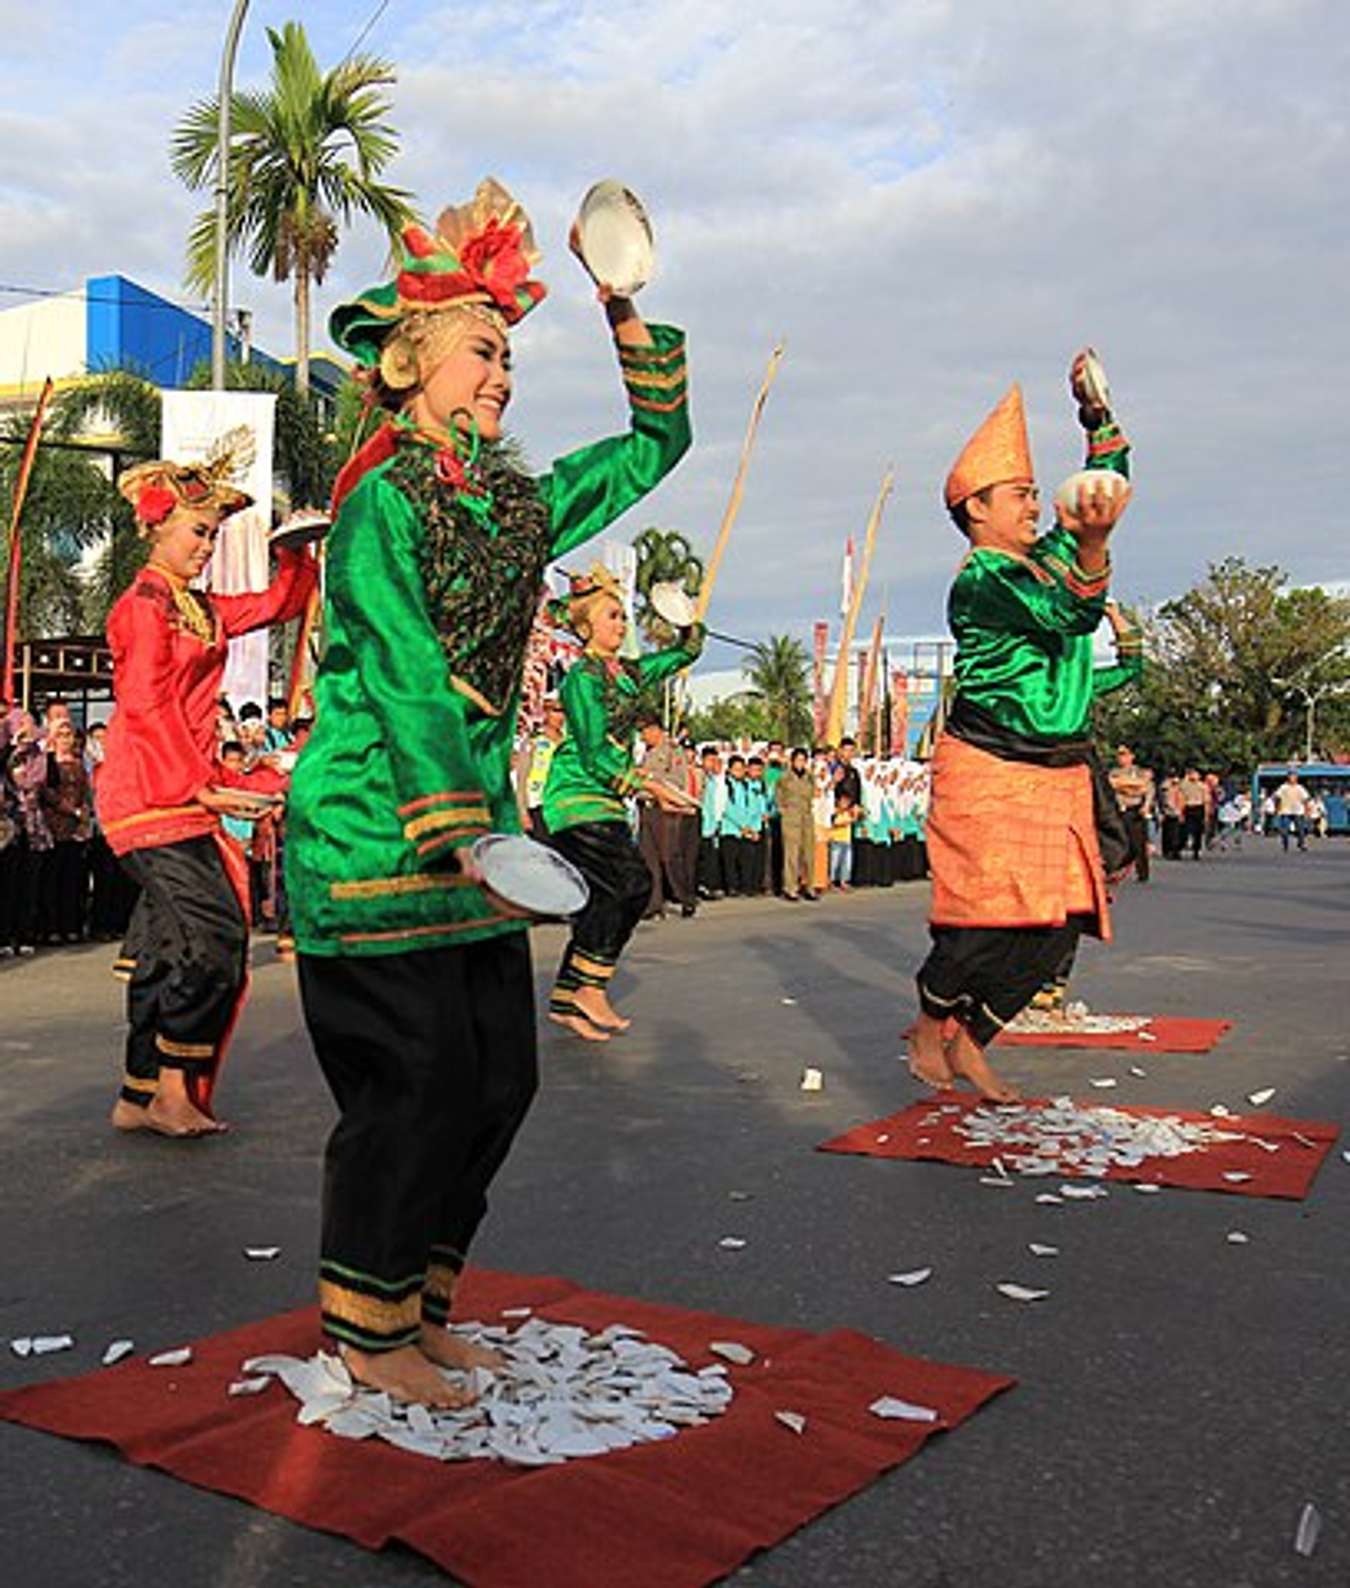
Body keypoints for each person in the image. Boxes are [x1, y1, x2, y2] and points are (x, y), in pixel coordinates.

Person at [284, 180, 691, 1406]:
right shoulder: (377, 501)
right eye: (482, 349)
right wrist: (459, 827)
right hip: (373, 832)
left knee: (498, 1083)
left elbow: (654, 449)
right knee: (413, 1084)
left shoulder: (515, 505)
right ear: (408, 365)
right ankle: (365, 1326)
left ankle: (416, 1305)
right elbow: (407, 670)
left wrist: (623, 314)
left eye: (511, 353)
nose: (503, 372)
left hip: (474, 846)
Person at [907, 351, 1132, 1101]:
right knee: (982, 924)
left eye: (1038, 495)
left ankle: (970, 1040)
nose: (1036, 506)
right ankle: (929, 1015)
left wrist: (1095, 419)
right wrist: (1093, 545)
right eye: (1022, 495)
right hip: (992, 765)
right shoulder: (985, 580)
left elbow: (1106, 485)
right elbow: (1070, 609)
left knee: (1059, 927)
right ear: (976, 507)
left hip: (1056, 770)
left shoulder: (1038, 559)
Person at [99, 437, 317, 1137]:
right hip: (149, 798)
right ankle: (170, 1089)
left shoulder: (201, 609)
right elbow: (146, 707)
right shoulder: (143, 609)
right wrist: (201, 786)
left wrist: (295, 549)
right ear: (156, 526)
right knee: (217, 939)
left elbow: (281, 603)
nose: (207, 546)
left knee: (167, 949)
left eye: (215, 534)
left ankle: (140, 1095)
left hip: (182, 794)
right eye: (198, 531)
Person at [544, 569, 703, 1035]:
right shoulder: (581, 679)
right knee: (631, 885)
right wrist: (651, 787)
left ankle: (569, 998)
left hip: (607, 801)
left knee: (609, 894)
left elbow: (685, 653)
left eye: (623, 616)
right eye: (612, 615)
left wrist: (687, 619)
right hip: (576, 797)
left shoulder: (629, 673)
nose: (621, 623)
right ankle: (588, 989)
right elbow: (593, 755)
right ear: (586, 626)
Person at [635, 713, 698, 918]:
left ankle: (686, 897)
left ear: (655, 730)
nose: (642, 737)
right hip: (646, 807)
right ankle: (653, 904)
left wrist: (651, 777)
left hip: (665, 810)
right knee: (648, 858)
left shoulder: (672, 751)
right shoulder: (646, 752)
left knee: (669, 857)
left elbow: (677, 781)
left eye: (644, 732)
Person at [513, 695, 565, 839]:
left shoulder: (569, 743)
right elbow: (521, 778)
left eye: (565, 711)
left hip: (562, 808)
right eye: (556, 711)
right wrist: (522, 811)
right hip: (537, 806)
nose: (562, 717)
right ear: (546, 712)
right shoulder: (533, 741)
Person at [1109, 741, 1154, 883]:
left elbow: (1147, 789)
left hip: (1136, 810)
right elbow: (1113, 787)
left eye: (1124, 754)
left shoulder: (1140, 772)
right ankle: (1115, 870)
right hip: (1120, 810)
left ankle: (1143, 873)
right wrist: (1132, 788)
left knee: (1138, 844)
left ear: (1131, 756)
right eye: (1119, 755)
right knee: (1120, 842)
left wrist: (1146, 805)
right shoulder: (1113, 773)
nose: (1121, 757)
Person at [776, 746, 817, 900]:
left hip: (806, 815)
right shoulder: (784, 777)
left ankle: (809, 886)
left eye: (803, 760)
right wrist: (783, 811)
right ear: (792, 761)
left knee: (808, 853)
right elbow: (778, 796)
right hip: (791, 817)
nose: (800, 763)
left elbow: (813, 793)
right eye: (798, 760)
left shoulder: (810, 777)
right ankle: (790, 887)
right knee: (791, 854)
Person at [1274, 771, 1309, 851]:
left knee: (1300, 829)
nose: (1292, 778)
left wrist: (1307, 811)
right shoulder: (1283, 787)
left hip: (1298, 811)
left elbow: (1305, 800)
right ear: (1288, 777)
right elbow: (1277, 798)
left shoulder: (1300, 788)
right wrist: (1277, 808)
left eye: (1294, 776)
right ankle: (1285, 842)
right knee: (1284, 830)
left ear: (1296, 778)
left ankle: (1301, 843)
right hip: (1286, 811)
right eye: (1291, 776)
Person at [1178, 768, 1207, 859]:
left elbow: (1206, 800)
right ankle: (1180, 847)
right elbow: (1181, 797)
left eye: (1195, 774)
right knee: (1185, 830)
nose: (1193, 776)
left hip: (1199, 808)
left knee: (1198, 831)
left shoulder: (1202, 786)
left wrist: (1206, 814)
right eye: (1191, 774)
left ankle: (1196, 850)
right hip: (1188, 807)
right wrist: (1181, 812)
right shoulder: (1185, 785)